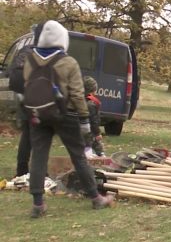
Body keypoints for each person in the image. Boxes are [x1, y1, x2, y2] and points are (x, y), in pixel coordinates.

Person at [23, 20, 114, 217]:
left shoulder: (29, 59)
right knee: (78, 155)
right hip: (66, 115)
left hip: (38, 113)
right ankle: (96, 198)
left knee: (38, 156)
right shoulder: (68, 62)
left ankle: (38, 203)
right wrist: (84, 121)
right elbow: (77, 94)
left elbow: (26, 87)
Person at [10, 23, 44, 178]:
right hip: (37, 98)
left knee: (27, 135)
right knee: (39, 135)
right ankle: (40, 172)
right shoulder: (42, 53)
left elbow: (12, 72)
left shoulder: (25, 50)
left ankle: (22, 169)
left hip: (22, 97)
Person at [82, 76, 105, 157]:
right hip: (88, 131)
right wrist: (97, 133)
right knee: (89, 146)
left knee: (96, 146)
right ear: (93, 89)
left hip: (80, 130)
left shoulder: (80, 100)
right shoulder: (92, 103)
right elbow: (93, 120)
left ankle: (100, 155)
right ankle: (99, 157)